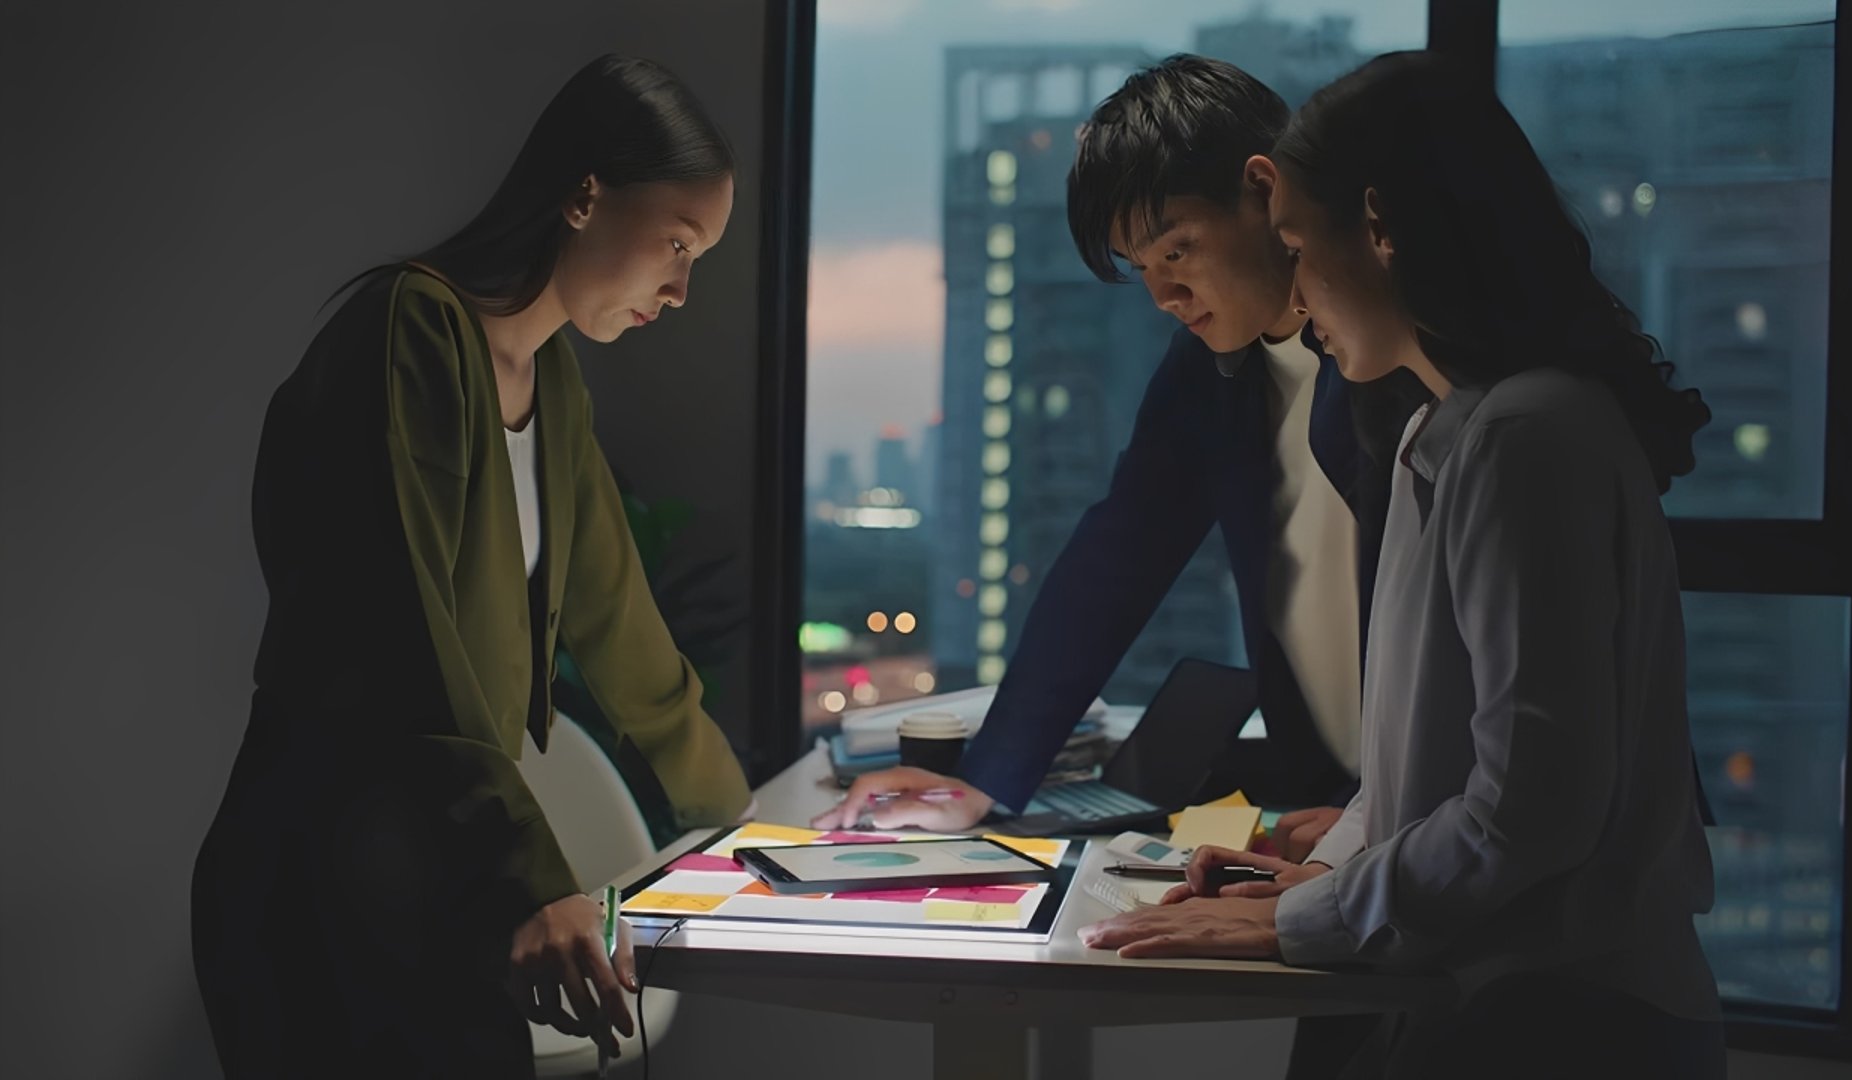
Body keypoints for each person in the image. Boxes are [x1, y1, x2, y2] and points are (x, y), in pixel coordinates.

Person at [1080, 51, 1726, 1080]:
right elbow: (1435, 785)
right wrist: (1312, 879)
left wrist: (1307, 916)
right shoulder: (1447, 432)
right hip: (1489, 993)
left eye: (1295, 244)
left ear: (1377, 230)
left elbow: (1531, 809)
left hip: (1567, 1017)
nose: (1293, 284)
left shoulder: (1528, 435)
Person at [815, 53, 1421, 1080]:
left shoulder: (1396, 359)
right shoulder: (1211, 371)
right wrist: (992, 782)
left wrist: (1394, 811)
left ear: (1268, 193)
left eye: (1180, 248)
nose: (1164, 293)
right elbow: (1115, 555)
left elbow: (1480, 636)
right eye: (1140, 267)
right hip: (1353, 815)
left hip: (1460, 828)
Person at [191, 55, 750, 1078]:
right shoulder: (407, 328)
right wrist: (536, 884)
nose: (679, 288)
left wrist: (747, 819)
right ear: (585, 194)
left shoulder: (552, 381)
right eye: (676, 244)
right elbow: (403, 637)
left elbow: (621, 631)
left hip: (433, 880)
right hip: (329, 878)